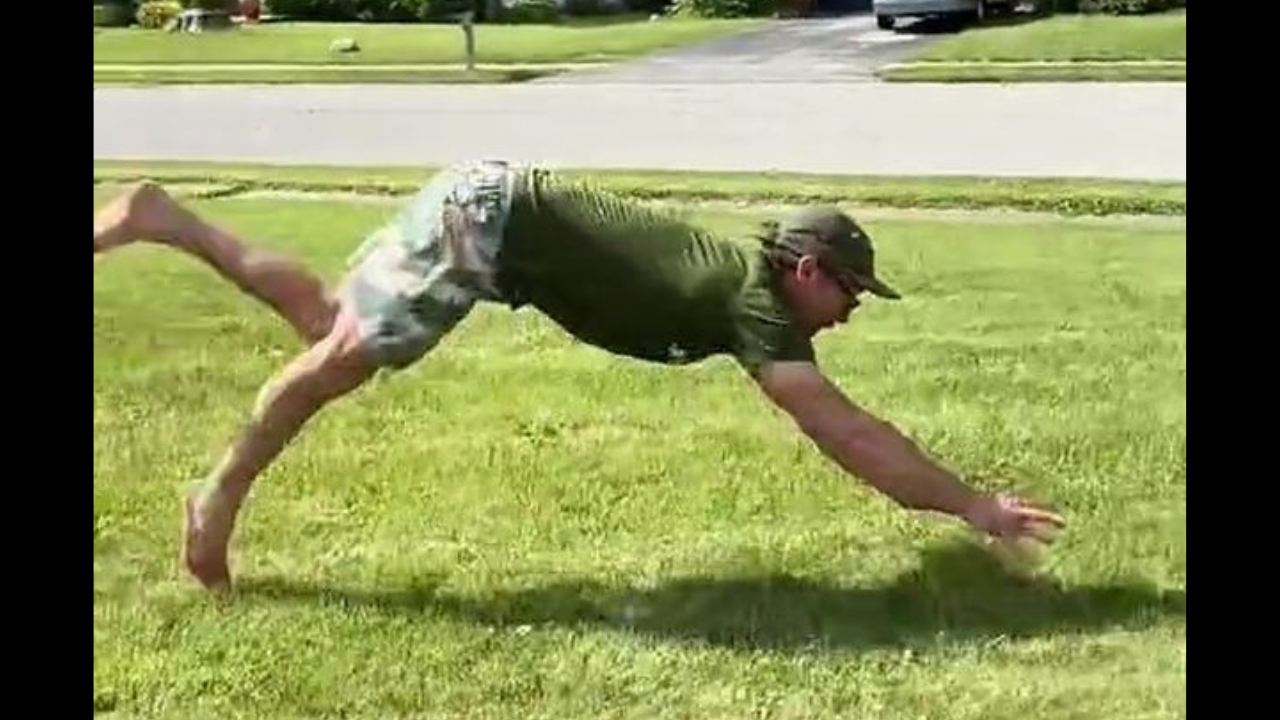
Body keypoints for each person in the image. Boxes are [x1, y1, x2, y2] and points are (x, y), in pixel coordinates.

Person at [93, 160, 1066, 592]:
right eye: (850, 292)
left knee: (324, 318)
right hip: (489, 226)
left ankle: (163, 218)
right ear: (807, 271)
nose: (851, 311)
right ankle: (214, 500)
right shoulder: (756, 305)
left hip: (489, 211)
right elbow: (846, 434)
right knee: (335, 364)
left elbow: (844, 429)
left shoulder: (745, 295)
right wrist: (973, 507)